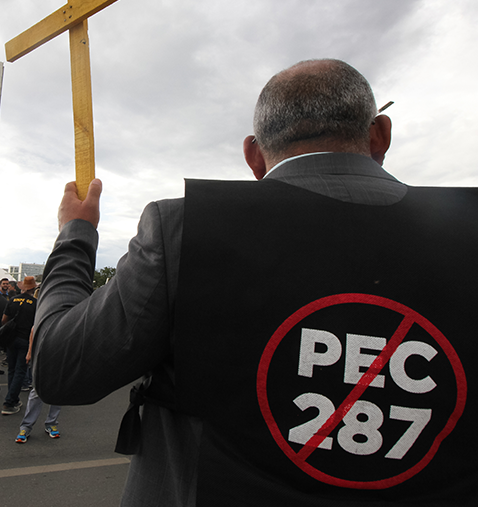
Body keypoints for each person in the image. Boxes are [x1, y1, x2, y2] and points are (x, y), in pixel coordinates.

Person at [32, 59, 478, 506]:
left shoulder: (184, 228)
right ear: (380, 134)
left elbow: (61, 369)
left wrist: (75, 236)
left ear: (253, 155)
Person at [15, 329, 61, 444]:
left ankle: (51, 423)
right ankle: (26, 427)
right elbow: (33, 329)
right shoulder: (44, 310)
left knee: (58, 389)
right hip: (42, 355)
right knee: (37, 391)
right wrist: (30, 351)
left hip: (60, 355)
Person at [0, 276, 37, 415]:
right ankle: (9, 402)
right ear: (33, 289)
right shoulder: (35, 303)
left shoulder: (13, 300)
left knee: (12, 369)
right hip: (25, 339)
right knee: (21, 371)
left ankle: (13, 398)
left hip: (11, 338)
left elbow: (4, 319)